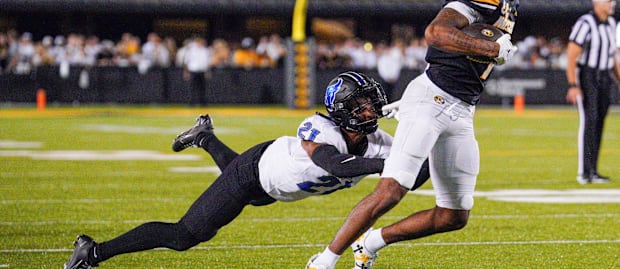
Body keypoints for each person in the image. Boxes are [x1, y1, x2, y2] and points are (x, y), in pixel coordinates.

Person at [306, 0, 544, 268]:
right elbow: (437, 32)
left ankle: (370, 243)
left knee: (454, 215)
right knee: (392, 189)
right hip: (433, 100)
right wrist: (489, 49)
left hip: (460, 109)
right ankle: (324, 261)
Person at [63, 71, 431, 269]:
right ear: (342, 110)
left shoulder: (378, 140)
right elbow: (334, 164)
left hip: (271, 187)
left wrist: (433, 141)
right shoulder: (322, 129)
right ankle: (93, 253)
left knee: (252, 198)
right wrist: (395, 162)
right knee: (185, 235)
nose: (371, 109)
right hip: (257, 168)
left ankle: (205, 137)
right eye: (361, 104)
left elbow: (414, 176)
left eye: (371, 101)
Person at [565, 0, 619, 184]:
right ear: (598, 2)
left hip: (605, 76)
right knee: (590, 121)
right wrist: (573, 84)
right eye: (609, 1)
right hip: (588, 76)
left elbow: (612, 56)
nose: (612, 4)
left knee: (600, 122)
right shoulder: (585, 23)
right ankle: (584, 172)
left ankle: (594, 171)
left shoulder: (612, 24)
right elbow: (571, 55)